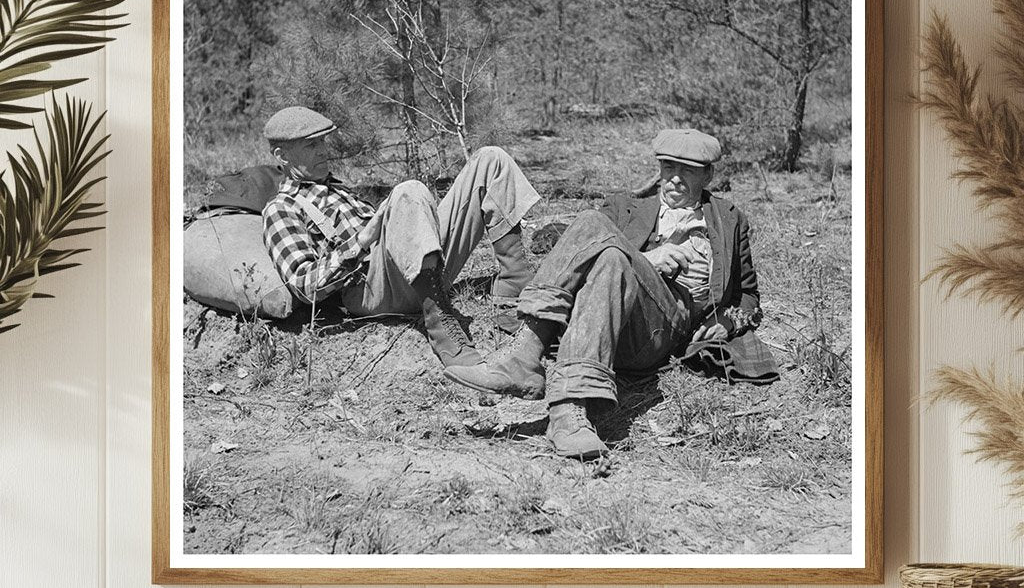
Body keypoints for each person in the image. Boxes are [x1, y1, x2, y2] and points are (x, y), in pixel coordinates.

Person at [444, 126, 777, 460]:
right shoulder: (625, 207)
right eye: (669, 167)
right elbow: (578, 260)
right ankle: (568, 414)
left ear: (708, 175)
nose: (675, 178)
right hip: (614, 317)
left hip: (667, 325)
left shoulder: (729, 220)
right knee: (609, 251)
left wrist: (729, 325)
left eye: (687, 170)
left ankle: (525, 354)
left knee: (597, 230)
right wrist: (649, 259)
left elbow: (749, 295)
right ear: (659, 168)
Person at [261, 106, 541, 368]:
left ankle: (514, 297)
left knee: (491, 159)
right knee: (410, 190)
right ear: (282, 156)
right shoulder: (281, 208)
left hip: (412, 268)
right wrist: (361, 242)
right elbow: (303, 285)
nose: (323, 150)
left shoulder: (335, 190)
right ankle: (441, 323)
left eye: (322, 142)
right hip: (370, 287)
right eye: (311, 145)